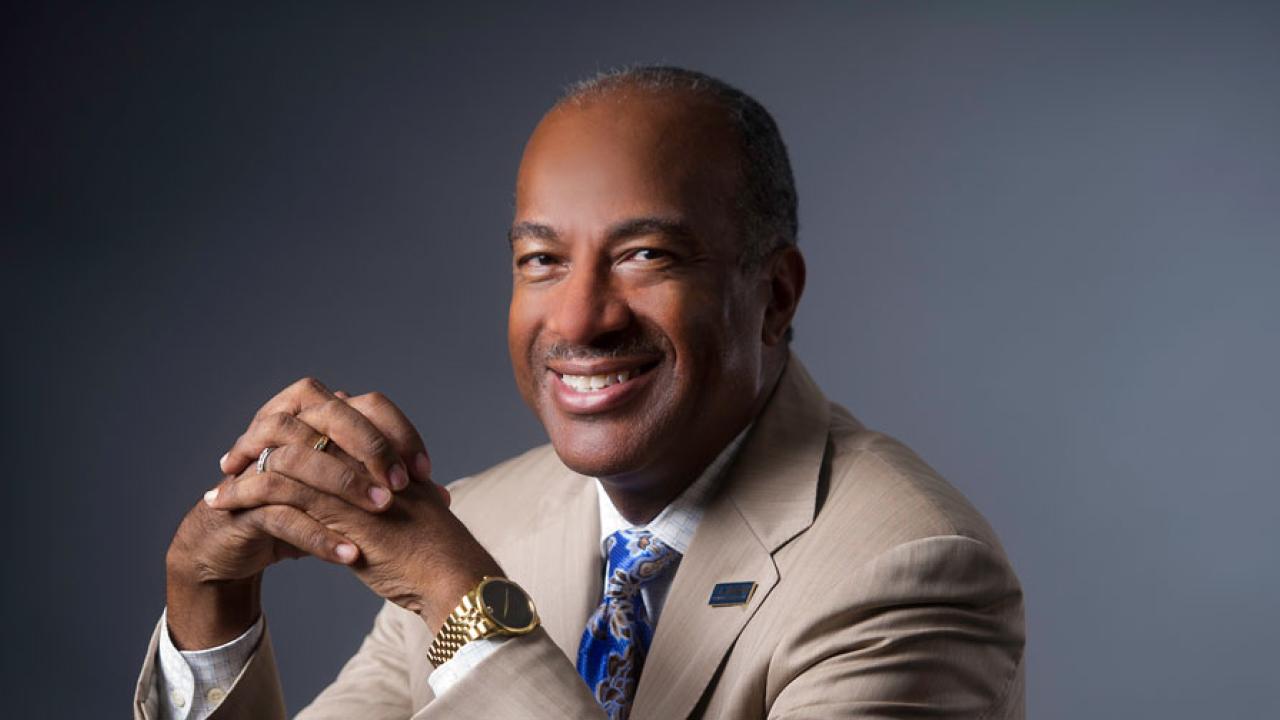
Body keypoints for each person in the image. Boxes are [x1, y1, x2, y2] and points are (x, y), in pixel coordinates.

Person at [133, 66, 1025, 720]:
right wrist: (208, 599)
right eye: (542, 262)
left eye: (646, 256)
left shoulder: (905, 573)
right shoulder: (486, 520)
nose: (582, 318)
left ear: (775, 296)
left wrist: (461, 597)